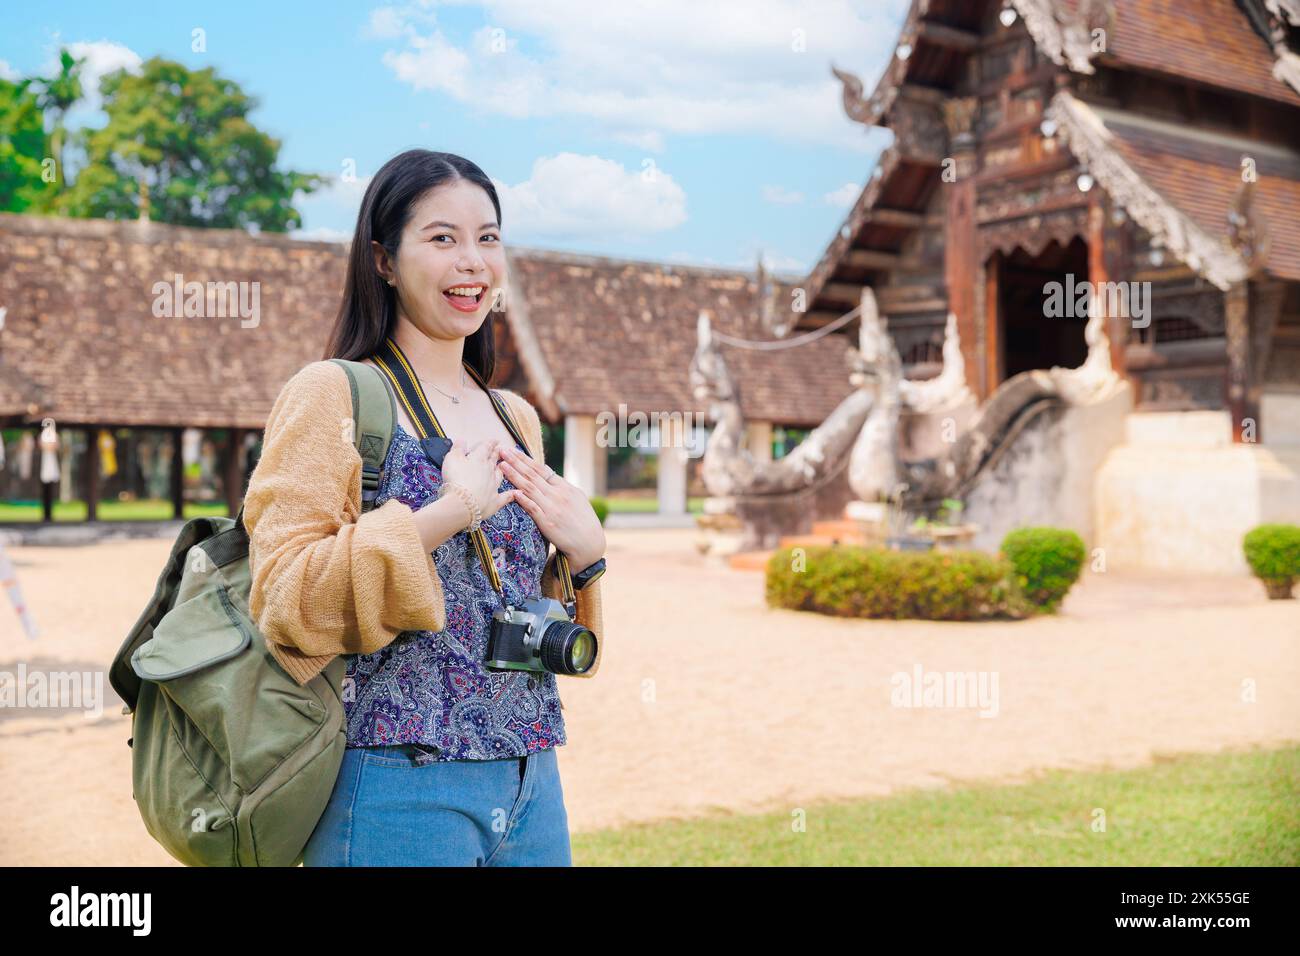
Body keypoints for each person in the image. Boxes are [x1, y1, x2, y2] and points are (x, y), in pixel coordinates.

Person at [241, 149, 607, 866]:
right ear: (383, 259)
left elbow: (525, 607)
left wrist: (587, 555)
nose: (472, 262)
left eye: (488, 238)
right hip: (393, 782)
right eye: (443, 239)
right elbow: (285, 600)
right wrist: (445, 514)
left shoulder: (516, 419)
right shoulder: (333, 394)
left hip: (531, 777)